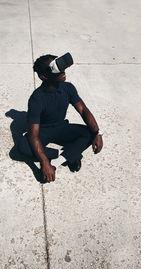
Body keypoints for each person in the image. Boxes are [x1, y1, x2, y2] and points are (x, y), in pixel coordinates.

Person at [18, 54, 103, 183]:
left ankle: (60, 159)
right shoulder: (37, 98)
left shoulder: (68, 88)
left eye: (63, 70)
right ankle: (69, 155)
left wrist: (98, 132)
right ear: (44, 77)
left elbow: (83, 110)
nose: (63, 73)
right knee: (23, 146)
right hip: (44, 131)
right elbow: (33, 135)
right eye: (58, 72)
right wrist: (44, 162)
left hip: (61, 127)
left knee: (90, 132)